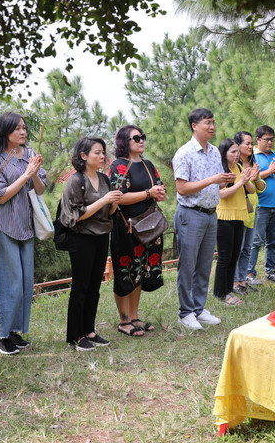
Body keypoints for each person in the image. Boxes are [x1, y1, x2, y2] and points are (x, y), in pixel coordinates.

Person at [0, 112, 46, 356]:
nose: (22, 132)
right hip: (2, 226)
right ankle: (2, 335)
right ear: (5, 131)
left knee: (23, 283)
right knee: (7, 281)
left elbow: (39, 190)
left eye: (24, 128)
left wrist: (36, 172)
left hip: (25, 225)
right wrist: (27, 174)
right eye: (17, 128)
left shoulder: (30, 154)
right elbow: (0, 196)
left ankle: (14, 331)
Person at [172, 108, 235, 330]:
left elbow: (218, 183)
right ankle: (185, 312)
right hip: (191, 214)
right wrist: (212, 180)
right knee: (187, 265)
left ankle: (199, 308)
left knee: (204, 264)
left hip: (211, 214)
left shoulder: (216, 152)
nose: (212, 127)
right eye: (207, 122)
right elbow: (182, 187)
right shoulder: (184, 153)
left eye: (213, 122)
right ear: (194, 126)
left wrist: (227, 179)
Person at [60, 137, 122, 350]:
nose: (102, 156)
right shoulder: (76, 180)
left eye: (103, 152)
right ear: (83, 156)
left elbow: (109, 212)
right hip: (81, 237)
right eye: (97, 152)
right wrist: (104, 201)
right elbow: (75, 216)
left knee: (95, 286)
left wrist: (113, 203)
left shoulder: (104, 179)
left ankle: (90, 330)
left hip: (101, 235)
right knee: (81, 287)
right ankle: (75, 335)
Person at [107, 125, 167, 337]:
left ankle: (134, 316)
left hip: (149, 224)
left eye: (143, 136)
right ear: (125, 141)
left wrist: (159, 193)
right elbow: (117, 196)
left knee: (141, 270)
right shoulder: (119, 166)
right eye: (136, 138)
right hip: (126, 227)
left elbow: (158, 187)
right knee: (126, 271)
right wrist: (148, 193)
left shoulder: (148, 164)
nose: (141, 140)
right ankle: (123, 320)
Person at [214, 138, 260, 305]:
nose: (236, 155)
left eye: (237, 152)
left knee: (235, 256)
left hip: (240, 216)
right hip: (224, 217)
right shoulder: (221, 170)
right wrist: (240, 182)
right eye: (232, 152)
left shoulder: (240, 167)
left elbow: (252, 189)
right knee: (225, 257)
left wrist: (248, 179)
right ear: (224, 153)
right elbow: (222, 194)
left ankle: (228, 290)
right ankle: (221, 292)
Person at [246, 124, 275, 285]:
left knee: (273, 241)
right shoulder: (252, 156)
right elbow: (250, 178)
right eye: (267, 139)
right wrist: (270, 171)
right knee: (256, 241)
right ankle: (249, 273)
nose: (270, 143)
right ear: (257, 139)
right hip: (260, 206)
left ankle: (270, 271)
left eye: (272, 139)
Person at [232, 130, 265, 295]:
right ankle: (234, 282)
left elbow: (260, 188)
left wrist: (257, 177)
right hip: (237, 210)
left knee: (247, 248)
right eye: (247, 143)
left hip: (253, 211)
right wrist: (248, 179)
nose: (251, 146)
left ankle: (243, 281)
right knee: (236, 248)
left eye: (251, 143)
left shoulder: (254, 163)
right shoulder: (232, 164)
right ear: (237, 145)